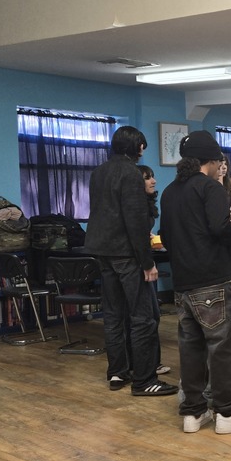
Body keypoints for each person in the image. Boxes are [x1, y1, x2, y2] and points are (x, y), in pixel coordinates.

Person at [159, 130, 231, 434]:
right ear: (213, 160)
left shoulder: (170, 191)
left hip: (182, 284)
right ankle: (229, 413)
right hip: (213, 281)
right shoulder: (211, 188)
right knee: (223, 349)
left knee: (191, 349)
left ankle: (193, 413)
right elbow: (220, 231)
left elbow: (166, 237)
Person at [84, 126, 174, 396]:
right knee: (142, 317)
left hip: (101, 251)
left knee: (112, 316)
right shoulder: (131, 174)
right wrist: (147, 262)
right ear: (136, 147)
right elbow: (135, 220)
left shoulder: (98, 172)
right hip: (126, 254)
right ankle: (145, 380)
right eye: (142, 146)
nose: (142, 151)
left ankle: (117, 372)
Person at [137, 164, 171, 376]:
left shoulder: (147, 205)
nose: (153, 181)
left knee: (152, 314)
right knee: (148, 315)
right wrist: (148, 263)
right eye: (147, 178)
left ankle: (151, 363)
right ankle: (148, 366)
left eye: (153, 177)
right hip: (139, 265)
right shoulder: (135, 206)